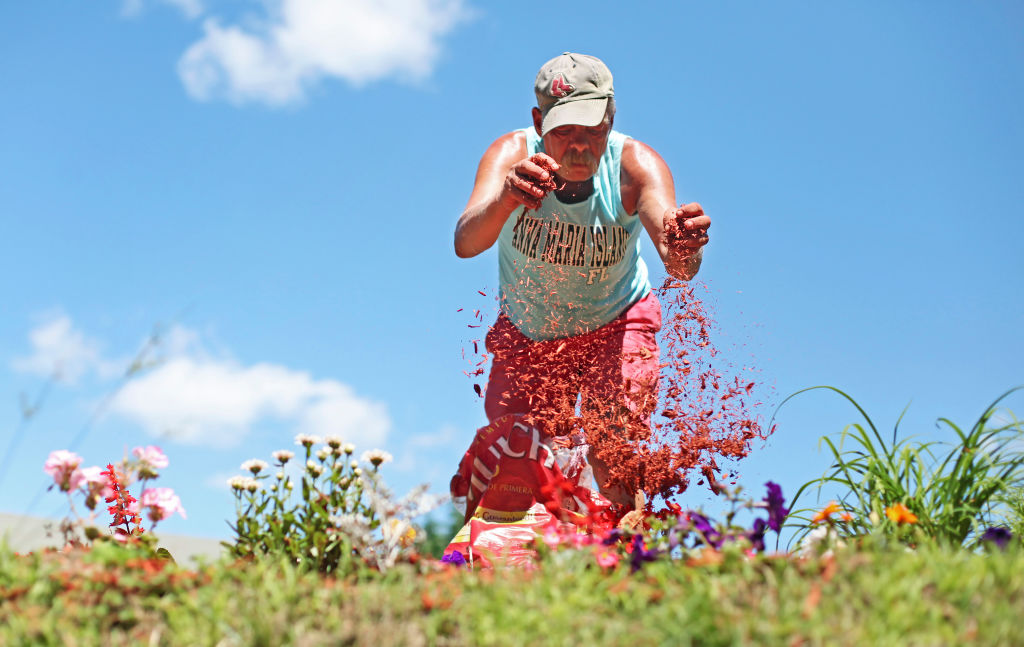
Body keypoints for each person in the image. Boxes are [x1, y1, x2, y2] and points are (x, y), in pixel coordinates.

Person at [454, 53, 710, 505]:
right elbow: (466, 241)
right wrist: (507, 197)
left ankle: (621, 557)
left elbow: (678, 265)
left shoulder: (634, 168)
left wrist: (687, 247)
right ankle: (514, 568)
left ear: (611, 118)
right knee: (515, 464)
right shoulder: (511, 155)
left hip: (617, 323)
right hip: (529, 330)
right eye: (563, 131)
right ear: (538, 122)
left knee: (614, 452)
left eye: (592, 130)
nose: (578, 147)